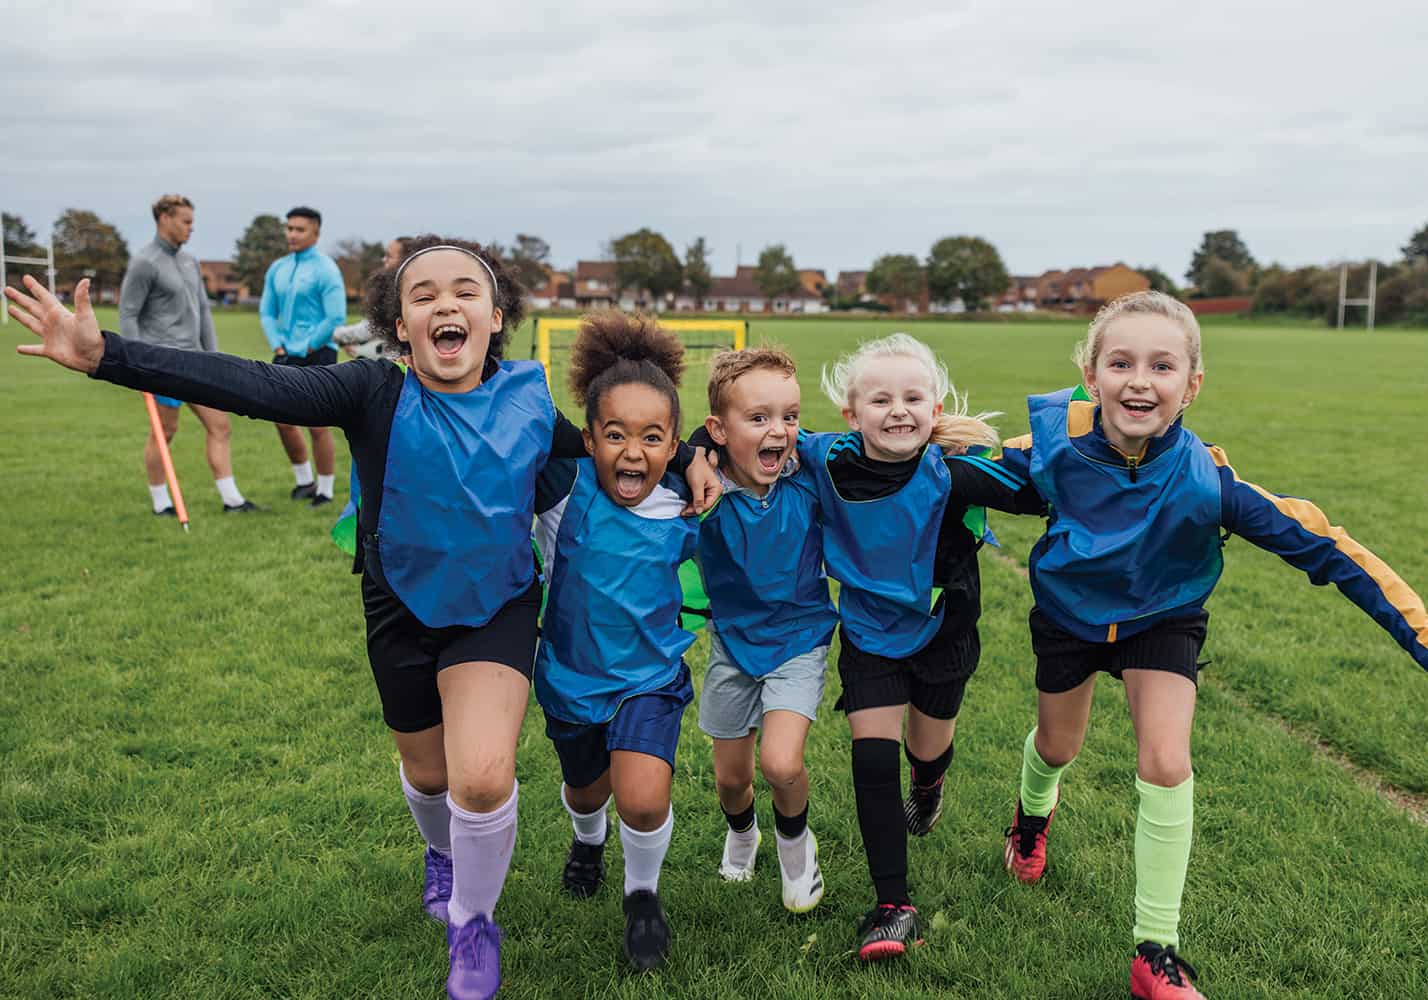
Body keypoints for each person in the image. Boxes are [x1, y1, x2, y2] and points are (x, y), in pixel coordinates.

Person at [5, 244, 718, 1000]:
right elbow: (255, 384)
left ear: (496, 317)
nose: (446, 305)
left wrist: (698, 453)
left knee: (481, 777)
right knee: (430, 776)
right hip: (400, 610)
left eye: (465, 291)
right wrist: (107, 353)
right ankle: (440, 854)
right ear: (399, 327)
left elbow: (622, 451)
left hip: (497, 611)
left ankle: (473, 924)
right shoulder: (372, 392)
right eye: (425, 295)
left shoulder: (530, 400)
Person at [994, 291, 1428, 1000]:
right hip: (1069, 618)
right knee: (1057, 747)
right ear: (1091, 373)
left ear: (1191, 385)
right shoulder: (1051, 452)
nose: (1140, 380)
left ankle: (1154, 951)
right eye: (1121, 362)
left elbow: (1329, 548)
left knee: (1166, 761)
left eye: (1162, 366)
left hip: (1163, 617)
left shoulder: (1209, 485)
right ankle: (1031, 819)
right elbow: (950, 479)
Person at [801, 333, 1046, 961]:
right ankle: (893, 904)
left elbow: (1038, 492)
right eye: (880, 399)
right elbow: (753, 439)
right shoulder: (825, 460)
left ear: (935, 412)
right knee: (873, 759)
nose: (899, 410)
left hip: (945, 633)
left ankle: (930, 785)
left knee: (926, 747)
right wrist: (696, 449)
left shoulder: (956, 472)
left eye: (914, 397)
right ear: (852, 416)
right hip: (869, 635)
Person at [531, 313, 698, 973]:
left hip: (649, 679)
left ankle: (642, 901)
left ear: (674, 443)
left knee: (644, 796)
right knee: (586, 794)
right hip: (569, 679)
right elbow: (513, 418)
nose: (634, 453)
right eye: (616, 434)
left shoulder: (688, 497)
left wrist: (701, 460)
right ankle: (587, 842)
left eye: (653, 438)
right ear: (589, 437)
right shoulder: (560, 490)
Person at [690, 347, 835, 912]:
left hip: (800, 639)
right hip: (732, 644)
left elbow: (872, 446)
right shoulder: (698, 489)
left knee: (780, 762)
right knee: (731, 781)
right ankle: (743, 832)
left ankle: (796, 848)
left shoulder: (810, 473)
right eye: (759, 418)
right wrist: (693, 456)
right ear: (718, 431)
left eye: (790, 416)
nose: (780, 430)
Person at [118, 193, 257, 514]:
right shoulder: (144, 262)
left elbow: (204, 313)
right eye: (186, 221)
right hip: (161, 363)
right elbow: (128, 314)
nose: (191, 228)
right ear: (164, 218)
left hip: (196, 361)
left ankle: (232, 499)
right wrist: (134, 365)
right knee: (165, 432)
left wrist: (214, 357)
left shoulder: (189, 261)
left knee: (220, 425)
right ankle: (160, 502)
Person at [259, 206, 346, 506]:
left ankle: (325, 490)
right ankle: (304, 480)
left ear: (316, 233)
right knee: (281, 420)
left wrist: (310, 346)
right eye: (289, 228)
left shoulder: (326, 269)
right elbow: (267, 312)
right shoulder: (278, 268)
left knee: (317, 424)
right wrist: (278, 344)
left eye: (299, 229)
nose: (292, 234)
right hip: (284, 351)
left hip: (318, 351)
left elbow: (335, 317)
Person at [334, 237, 411, 361]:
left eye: (389, 256)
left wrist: (337, 334)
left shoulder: (396, 293)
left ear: (404, 260)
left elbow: (371, 328)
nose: (383, 260)